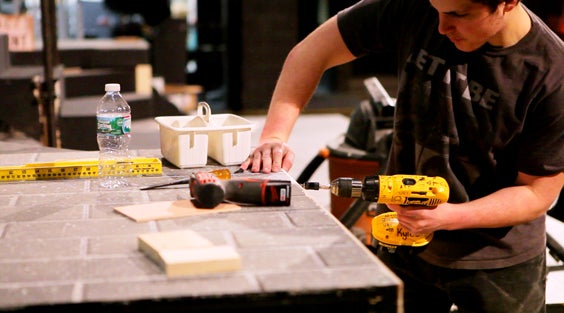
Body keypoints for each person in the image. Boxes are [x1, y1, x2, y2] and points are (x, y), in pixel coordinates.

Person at [238, 0, 564, 312]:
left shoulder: (551, 73)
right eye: (436, 10)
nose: (441, 26)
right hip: (401, 238)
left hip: (498, 260)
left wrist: (447, 217)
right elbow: (311, 51)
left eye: (458, 14)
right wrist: (274, 137)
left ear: (507, 2)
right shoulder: (414, 7)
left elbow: (538, 193)